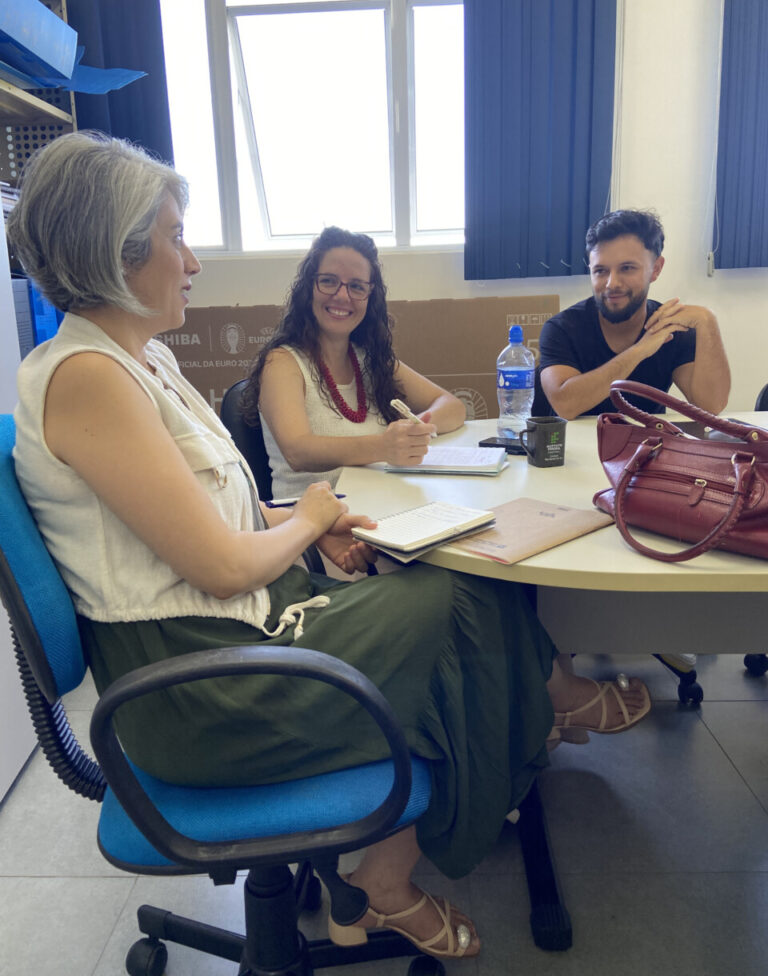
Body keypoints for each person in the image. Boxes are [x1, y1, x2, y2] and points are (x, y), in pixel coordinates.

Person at [9, 132, 650, 963]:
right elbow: (218, 564)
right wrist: (312, 518)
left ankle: (443, 812)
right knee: (466, 608)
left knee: (477, 586)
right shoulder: (88, 376)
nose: (194, 261)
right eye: (175, 237)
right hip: (199, 688)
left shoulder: (142, 360)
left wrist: (304, 518)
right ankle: (420, 845)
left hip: (240, 625)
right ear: (113, 250)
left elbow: (213, 520)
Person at [242, 226, 466, 499]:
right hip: (312, 527)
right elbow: (297, 451)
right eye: (328, 281)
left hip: (381, 509)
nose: (342, 296)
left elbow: (453, 407)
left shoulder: (370, 360)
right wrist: (385, 446)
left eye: (357, 286)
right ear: (308, 288)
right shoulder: (282, 362)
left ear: (370, 298)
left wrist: (414, 430)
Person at [539, 209, 731, 420]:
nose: (612, 283)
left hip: (647, 447)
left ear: (656, 269)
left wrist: (707, 320)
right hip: (572, 448)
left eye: (627, 268)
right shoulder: (562, 328)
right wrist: (641, 350)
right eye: (600, 271)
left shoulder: (669, 327)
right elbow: (565, 406)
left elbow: (711, 406)